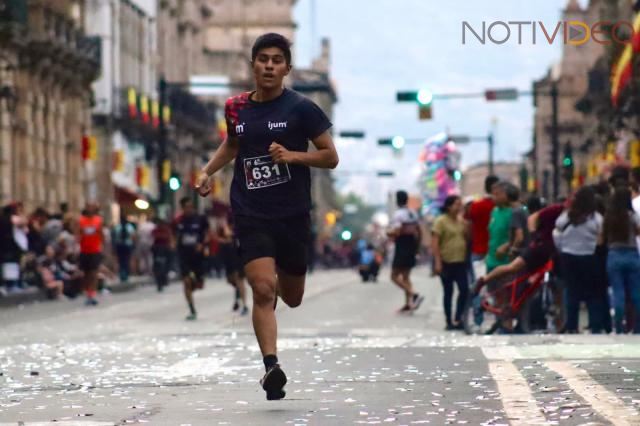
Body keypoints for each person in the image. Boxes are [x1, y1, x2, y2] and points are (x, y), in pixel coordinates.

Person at [194, 33, 338, 400]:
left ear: (287, 68)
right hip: (250, 212)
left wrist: (293, 156)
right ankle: (271, 367)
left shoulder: (303, 109)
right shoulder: (236, 107)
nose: (269, 66)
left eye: (277, 60)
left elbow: (329, 156)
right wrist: (207, 171)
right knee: (261, 288)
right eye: (263, 59)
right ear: (253, 65)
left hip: (291, 214)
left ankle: (271, 302)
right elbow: (233, 143)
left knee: (292, 297)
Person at [553, 186, 604, 333]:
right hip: (589, 257)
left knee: (572, 292)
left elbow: (557, 227)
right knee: (592, 293)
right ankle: (595, 325)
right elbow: (600, 239)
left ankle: (571, 325)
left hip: (568, 257)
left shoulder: (568, 216)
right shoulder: (596, 218)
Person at [603, 187, 640, 334]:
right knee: (636, 293)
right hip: (631, 255)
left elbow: (602, 237)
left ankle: (619, 327)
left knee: (618, 292)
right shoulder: (632, 215)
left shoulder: (609, 216)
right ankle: (637, 327)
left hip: (614, 254)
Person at [432, 195, 469, 330]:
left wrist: (466, 227)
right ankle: (449, 321)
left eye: (460, 205)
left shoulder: (461, 221)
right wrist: (437, 262)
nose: (459, 207)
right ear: (449, 206)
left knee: (464, 290)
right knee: (448, 292)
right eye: (456, 205)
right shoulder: (440, 221)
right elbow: (435, 243)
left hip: (460, 261)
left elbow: (467, 237)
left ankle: (458, 317)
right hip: (446, 261)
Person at [388, 190, 424, 313]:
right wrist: (417, 247)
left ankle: (414, 294)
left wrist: (388, 232)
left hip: (402, 245)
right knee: (406, 276)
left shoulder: (398, 215)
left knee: (393, 276)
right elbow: (419, 231)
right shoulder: (413, 213)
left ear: (397, 200)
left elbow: (397, 231)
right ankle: (408, 303)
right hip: (412, 244)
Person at [173, 197, 209, 320]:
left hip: (198, 256)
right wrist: (174, 245)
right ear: (182, 208)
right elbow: (174, 235)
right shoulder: (178, 221)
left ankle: (196, 282)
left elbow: (208, 233)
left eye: (190, 207)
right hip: (184, 255)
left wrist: (202, 244)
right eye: (186, 207)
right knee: (186, 282)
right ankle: (192, 309)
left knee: (199, 284)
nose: (189, 209)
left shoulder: (200, 219)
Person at [465, 175, 499, 279]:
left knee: (478, 285)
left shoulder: (475, 206)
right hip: (498, 251)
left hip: (478, 249)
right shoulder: (501, 207)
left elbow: (468, 227)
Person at [218, 217, 249, 315]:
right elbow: (219, 237)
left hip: (239, 255)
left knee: (239, 280)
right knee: (231, 280)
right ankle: (237, 295)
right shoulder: (225, 219)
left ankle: (244, 305)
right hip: (228, 254)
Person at [77, 202, 104, 306]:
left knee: (94, 273)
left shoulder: (98, 220)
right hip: (84, 250)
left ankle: (92, 294)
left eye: (92, 207)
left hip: (95, 250)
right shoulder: (81, 220)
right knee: (86, 274)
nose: (90, 209)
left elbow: (101, 234)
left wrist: (102, 246)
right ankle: (88, 293)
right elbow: (78, 234)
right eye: (88, 207)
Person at [486, 181, 513, 274]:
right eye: (492, 194)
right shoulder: (494, 211)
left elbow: (520, 237)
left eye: (497, 194)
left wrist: (506, 246)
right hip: (491, 261)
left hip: (506, 263)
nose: (493, 197)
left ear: (506, 194)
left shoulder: (513, 213)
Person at [112, 213, 136, 283]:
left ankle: (123, 273)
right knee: (126, 260)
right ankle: (125, 273)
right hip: (126, 245)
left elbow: (114, 237)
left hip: (120, 245)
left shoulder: (117, 227)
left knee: (121, 260)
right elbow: (133, 236)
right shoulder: (129, 227)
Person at [151, 217, 173, 292]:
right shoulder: (156, 230)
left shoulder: (166, 230)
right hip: (158, 250)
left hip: (164, 250)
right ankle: (160, 281)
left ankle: (164, 279)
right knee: (158, 267)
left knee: (166, 265)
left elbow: (169, 238)